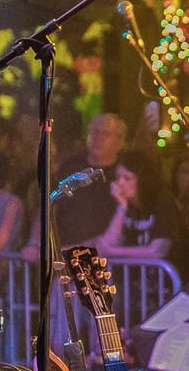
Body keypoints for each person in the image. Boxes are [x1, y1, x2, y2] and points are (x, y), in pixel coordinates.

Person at [83, 149, 180, 261]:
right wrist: (122, 207)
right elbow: (107, 244)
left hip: (165, 271)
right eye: (117, 177)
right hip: (137, 272)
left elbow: (159, 250)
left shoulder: (162, 200)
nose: (120, 183)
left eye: (127, 178)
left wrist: (112, 252)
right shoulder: (122, 203)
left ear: (143, 180)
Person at [52, 111, 128, 247]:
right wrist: (35, 243)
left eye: (106, 134)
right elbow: (50, 206)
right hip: (63, 250)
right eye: (95, 132)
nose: (98, 137)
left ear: (120, 142)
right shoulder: (71, 166)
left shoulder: (124, 174)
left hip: (105, 252)